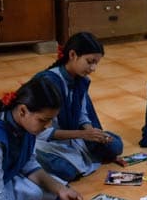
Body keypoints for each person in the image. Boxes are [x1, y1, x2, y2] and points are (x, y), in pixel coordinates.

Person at [33, 32, 123, 182]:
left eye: (96, 63)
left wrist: (91, 131)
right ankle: (32, 158)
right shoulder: (47, 83)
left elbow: (81, 114)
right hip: (44, 141)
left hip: (73, 137)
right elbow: (40, 132)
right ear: (73, 55)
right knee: (67, 171)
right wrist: (82, 134)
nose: (93, 68)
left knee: (115, 146)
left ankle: (78, 153)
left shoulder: (80, 80)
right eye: (90, 61)